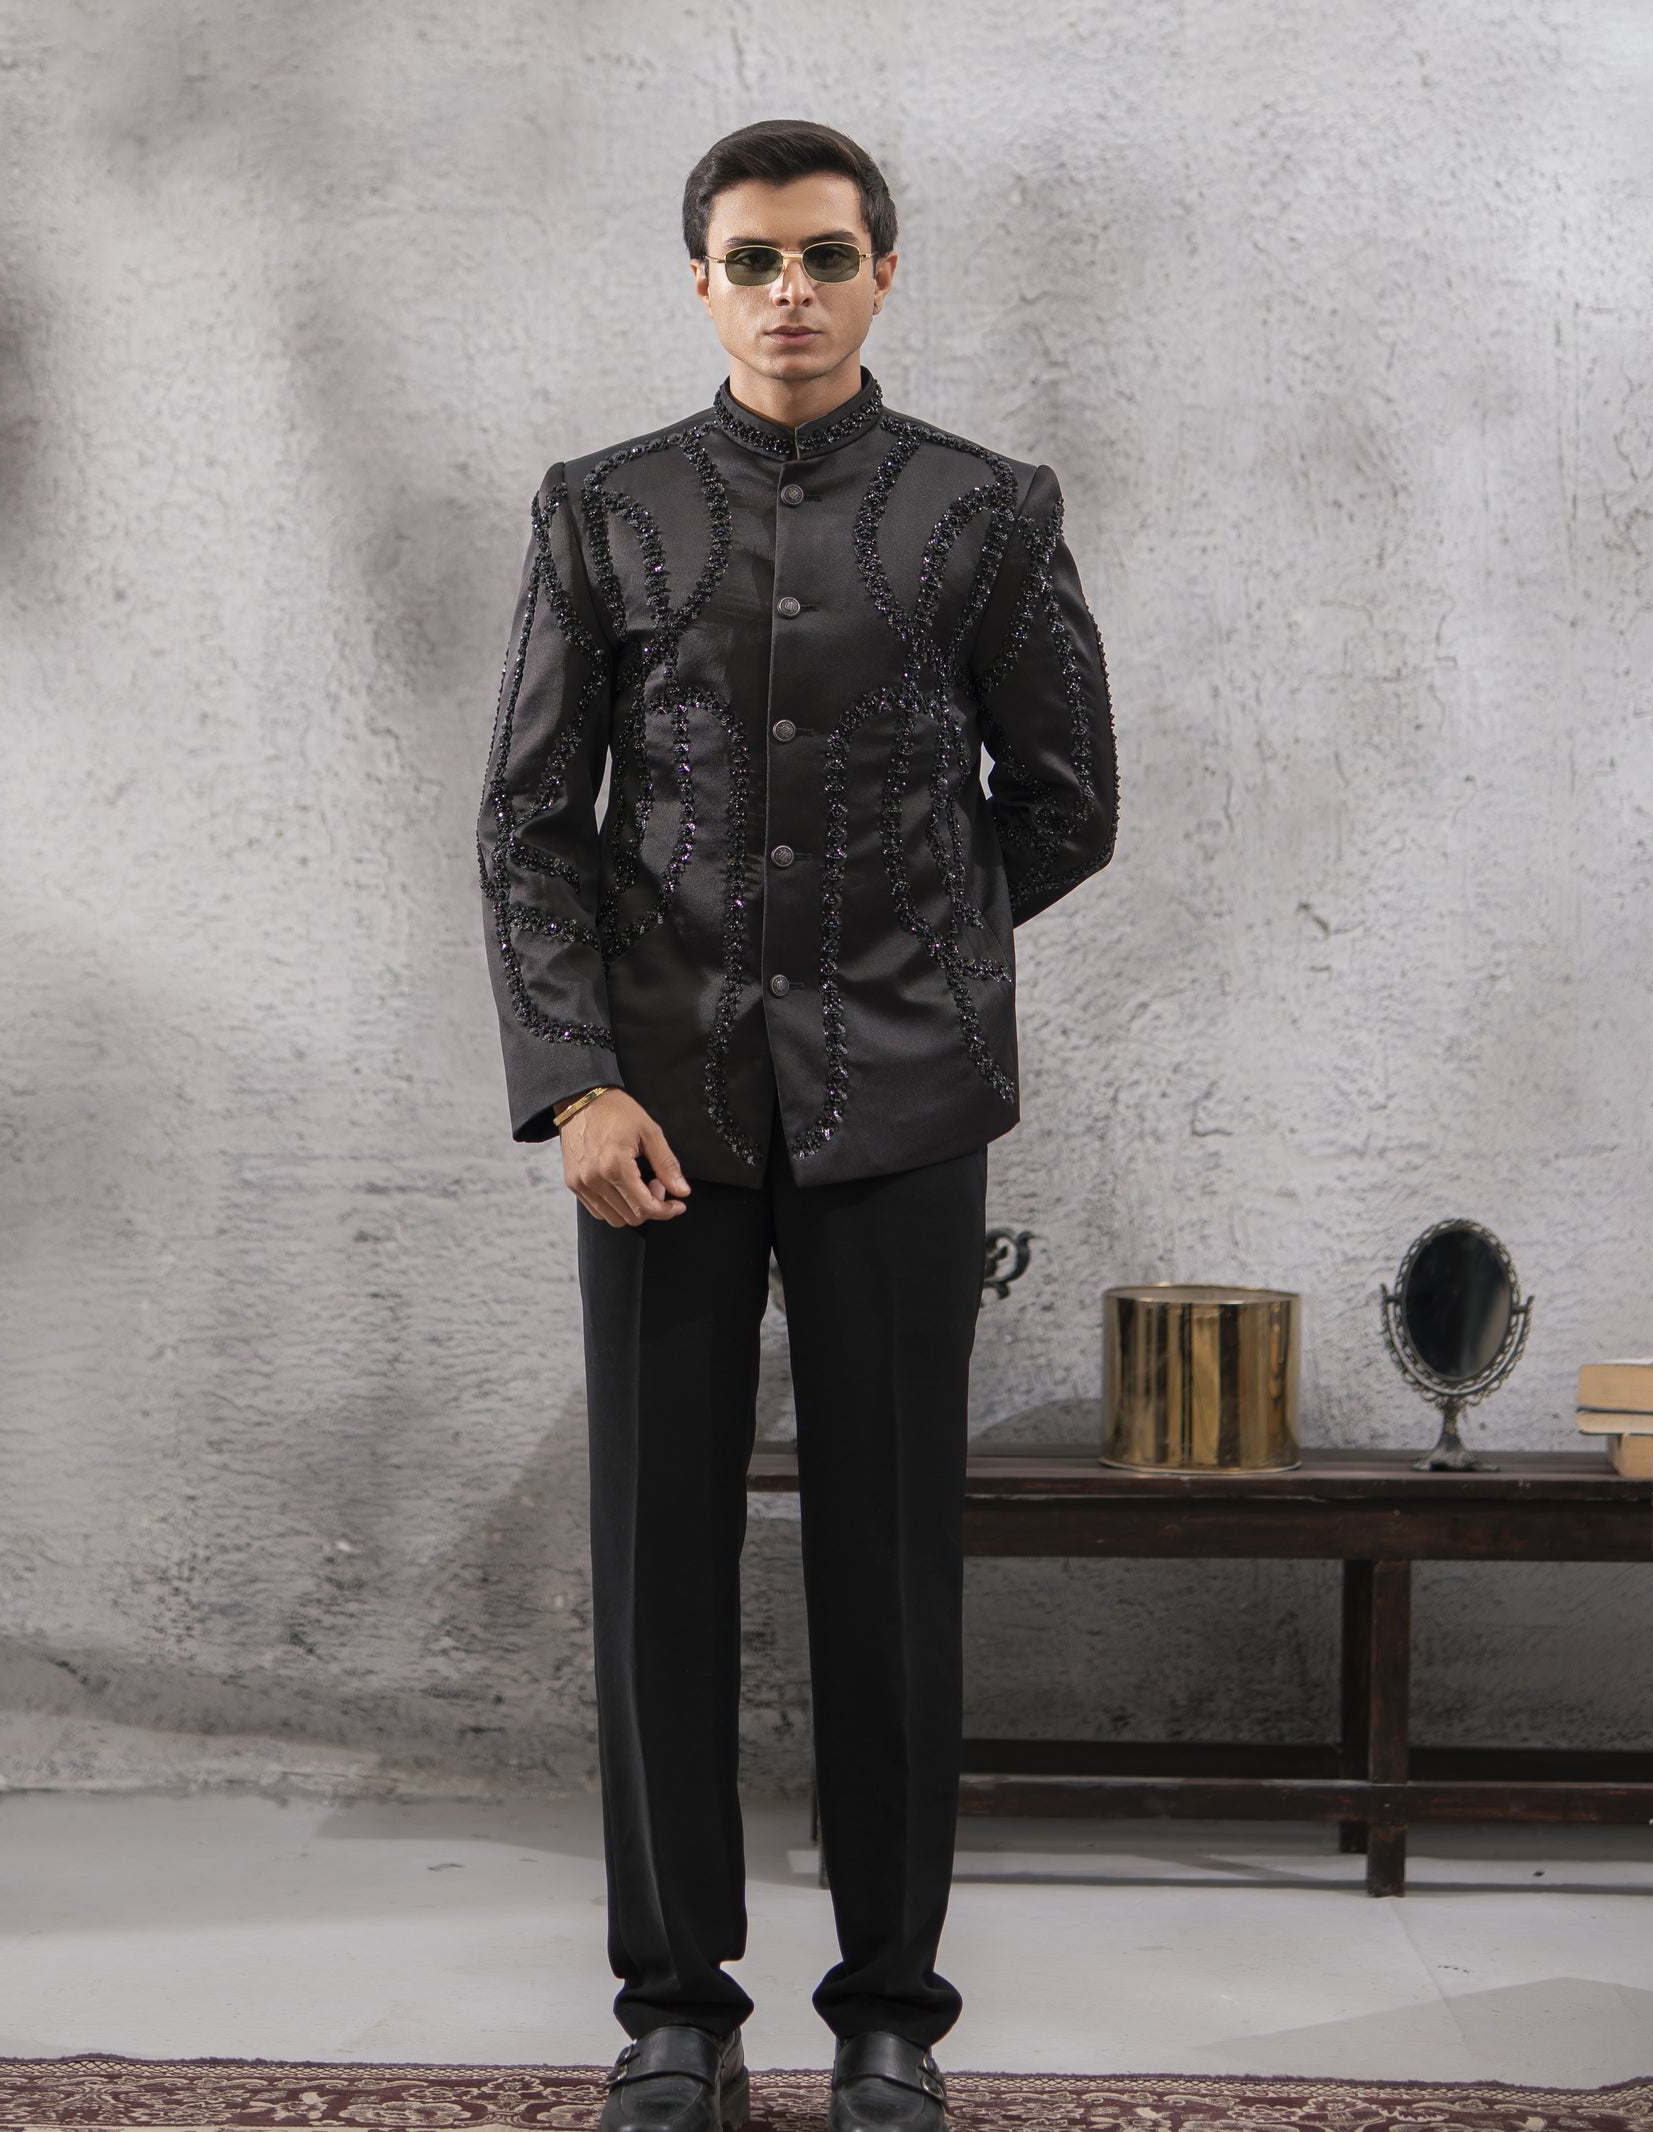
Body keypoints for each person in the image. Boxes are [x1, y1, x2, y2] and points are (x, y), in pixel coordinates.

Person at [475, 117, 1117, 2132]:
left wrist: (907, 957)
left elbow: (1067, 799)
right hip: (650, 1115)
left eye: (825, 256)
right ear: (700, 281)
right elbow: (528, 822)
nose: (788, 291)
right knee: (653, 1562)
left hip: (901, 1106)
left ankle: (890, 2014)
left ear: (880, 273)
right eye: (751, 259)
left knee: (891, 1566)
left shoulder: (983, 511)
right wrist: (576, 1079)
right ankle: (674, 2006)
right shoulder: (604, 510)